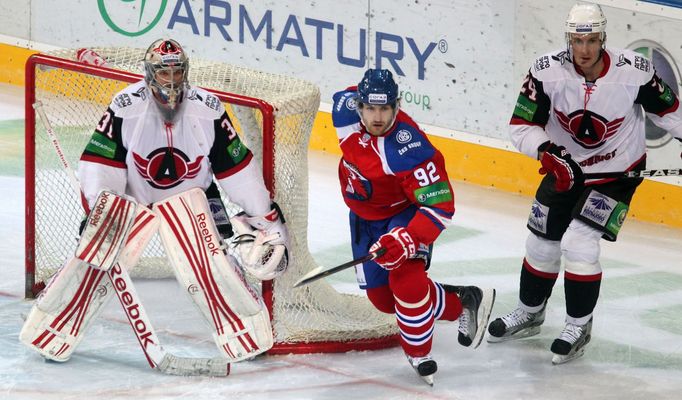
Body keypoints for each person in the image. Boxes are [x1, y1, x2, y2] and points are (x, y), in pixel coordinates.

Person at [20, 39, 289, 364]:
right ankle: (55, 321)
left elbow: (236, 168)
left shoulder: (208, 108)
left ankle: (243, 329)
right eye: (164, 72)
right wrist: (102, 212)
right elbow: (100, 163)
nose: (171, 80)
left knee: (212, 267)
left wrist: (264, 216)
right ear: (150, 74)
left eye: (177, 71)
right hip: (133, 195)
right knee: (95, 257)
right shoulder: (125, 106)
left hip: (195, 198)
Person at [487, 4, 682, 364]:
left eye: (592, 40)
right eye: (578, 40)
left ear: (603, 38)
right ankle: (530, 312)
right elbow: (521, 125)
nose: (586, 49)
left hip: (615, 175)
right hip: (565, 170)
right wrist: (547, 154)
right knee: (541, 242)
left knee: (578, 242)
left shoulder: (634, 71)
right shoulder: (546, 72)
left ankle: (578, 325)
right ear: (568, 40)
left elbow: (670, 113)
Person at [331, 68, 496, 385]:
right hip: (364, 217)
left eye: (385, 108)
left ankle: (419, 353)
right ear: (359, 105)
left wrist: (407, 237)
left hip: (403, 214)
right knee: (383, 301)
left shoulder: (409, 149)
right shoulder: (344, 110)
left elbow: (440, 205)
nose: (377, 117)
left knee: (406, 281)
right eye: (370, 108)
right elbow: (346, 93)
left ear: (396, 105)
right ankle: (465, 301)